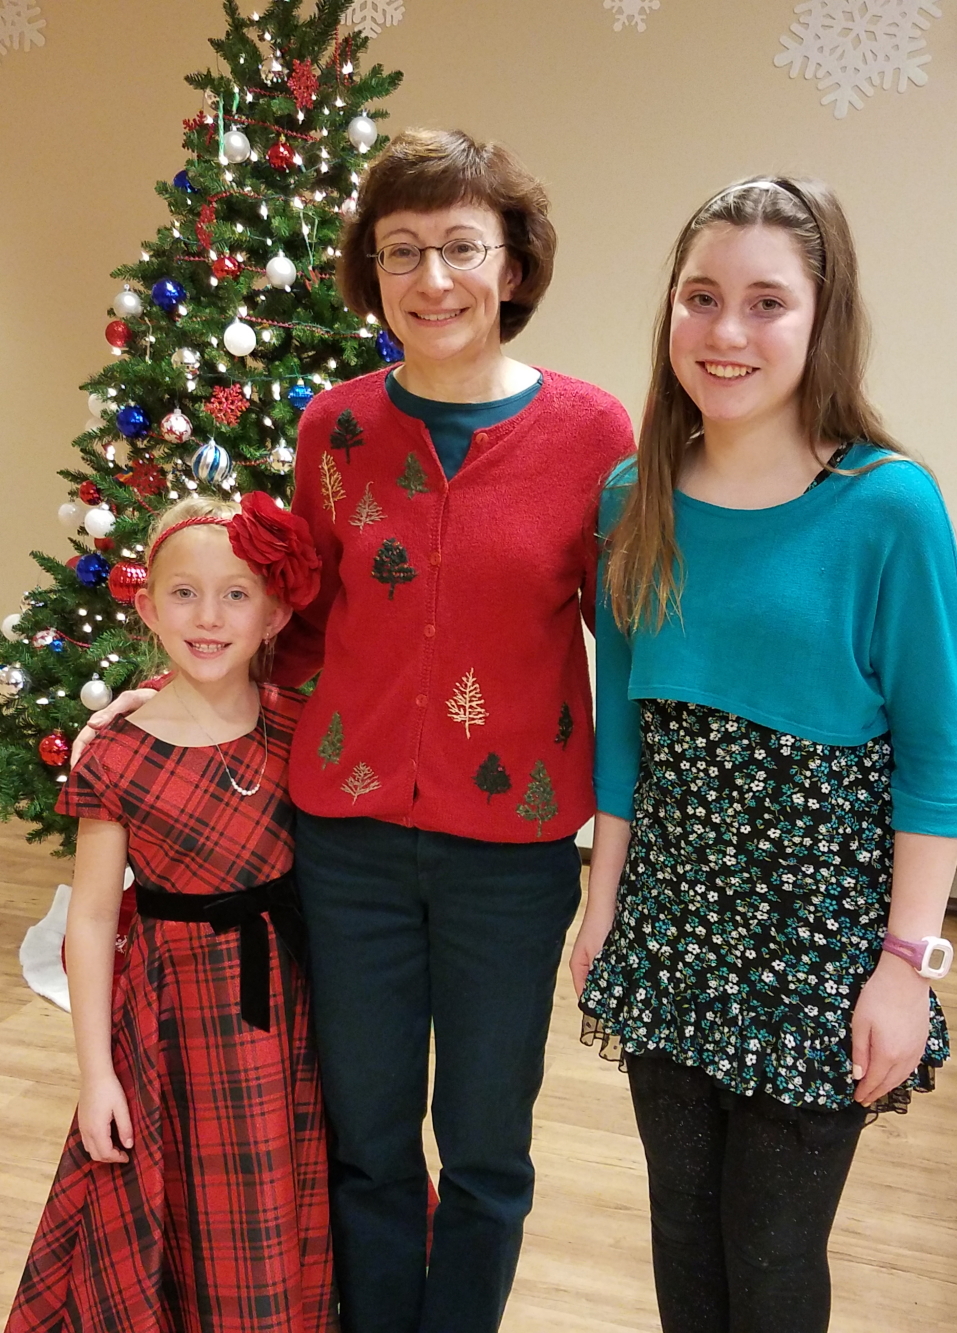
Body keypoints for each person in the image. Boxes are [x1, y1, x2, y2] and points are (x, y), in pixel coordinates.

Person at [73, 128, 634, 1333]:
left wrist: (614, 862)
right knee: (367, 1139)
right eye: (402, 251)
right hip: (346, 847)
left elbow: (624, 648)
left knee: (486, 1147)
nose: (433, 278)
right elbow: (295, 624)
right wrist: (157, 697)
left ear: (515, 267)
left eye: (461, 248)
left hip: (512, 849)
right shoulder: (335, 426)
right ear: (371, 273)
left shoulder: (594, 435)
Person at [569, 177, 957, 1333]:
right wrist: (602, 903)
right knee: (682, 1238)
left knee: (772, 1252)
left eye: (765, 302)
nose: (726, 332)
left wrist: (904, 962)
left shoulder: (887, 507)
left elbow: (938, 762)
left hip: (820, 949)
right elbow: (625, 728)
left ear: (820, 317)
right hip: (672, 924)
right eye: (700, 297)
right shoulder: (628, 496)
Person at [6, 494, 337, 1333]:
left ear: (275, 613)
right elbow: (88, 922)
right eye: (183, 593)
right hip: (171, 1024)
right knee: (185, 1206)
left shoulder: (300, 722)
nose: (209, 616)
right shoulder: (115, 752)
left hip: (292, 1017)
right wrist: (95, 1076)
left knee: (283, 1195)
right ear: (147, 605)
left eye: (236, 594)